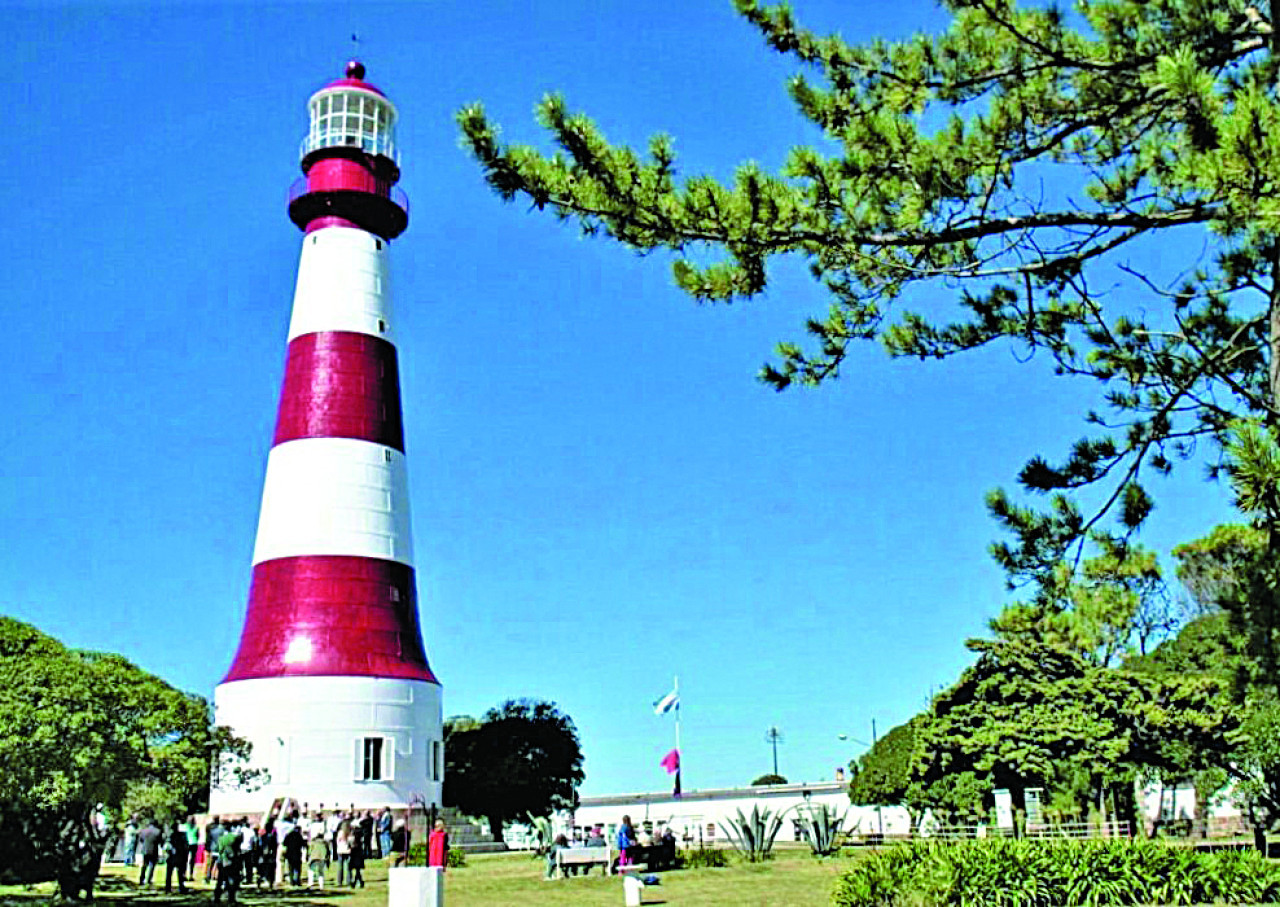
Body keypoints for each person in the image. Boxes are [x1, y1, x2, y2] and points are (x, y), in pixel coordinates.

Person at [212, 819, 242, 906]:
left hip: (222, 861)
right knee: (231, 879)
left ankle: (217, 897)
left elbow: (219, 850)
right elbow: (237, 849)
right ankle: (231, 898)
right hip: (232, 861)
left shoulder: (221, 839)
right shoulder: (234, 837)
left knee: (220, 880)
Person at [136, 818, 162, 888]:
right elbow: (160, 841)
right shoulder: (158, 831)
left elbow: (141, 840)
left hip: (145, 849)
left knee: (144, 865)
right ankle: (148, 879)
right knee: (152, 865)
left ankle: (141, 878)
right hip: (153, 850)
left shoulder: (144, 831)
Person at [164, 823, 189, 893]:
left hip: (171, 857)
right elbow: (185, 846)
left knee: (169, 873)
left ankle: (167, 888)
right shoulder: (182, 836)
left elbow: (166, 847)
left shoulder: (169, 836)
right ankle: (181, 887)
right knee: (180, 873)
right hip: (179, 856)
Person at [256, 819, 277, 890]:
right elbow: (275, 847)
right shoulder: (272, 837)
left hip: (262, 856)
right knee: (271, 872)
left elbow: (259, 846)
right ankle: (270, 886)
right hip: (270, 856)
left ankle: (259, 886)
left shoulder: (262, 837)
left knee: (261, 871)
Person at [282, 823, 305, 887]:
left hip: (290, 854)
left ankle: (292, 881)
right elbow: (303, 844)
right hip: (297, 854)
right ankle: (297, 881)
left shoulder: (288, 835)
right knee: (297, 868)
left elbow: (284, 843)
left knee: (291, 868)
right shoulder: (299, 836)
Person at [204, 816, 224, 883]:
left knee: (211, 864)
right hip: (219, 848)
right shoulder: (221, 830)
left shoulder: (211, 830)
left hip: (213, 848)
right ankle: (218, 877)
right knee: (219, 864)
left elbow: (208, 839)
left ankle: (208, 876)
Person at [334, 818, 352, 886]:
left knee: (340, 867)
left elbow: (337, 841)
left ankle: (339, 881)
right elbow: (351, 841)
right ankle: (349, 880)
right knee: (348, 867)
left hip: (340, 850)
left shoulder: (340, 832)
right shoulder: (349, 833)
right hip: (347, 850)